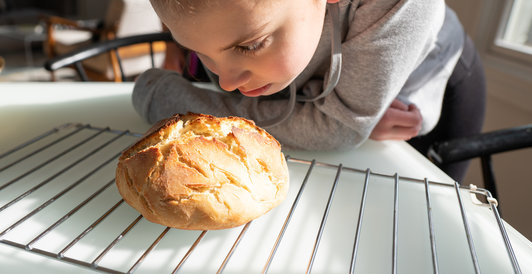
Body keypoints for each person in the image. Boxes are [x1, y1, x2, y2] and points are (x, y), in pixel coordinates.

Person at [132, 0, 485, 182]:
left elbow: (338, 130)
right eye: (202, 53)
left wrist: (165, 100)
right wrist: (334, 116)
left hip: (424, 87)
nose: (225, 82)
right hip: (315, 85)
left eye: (250, 46)